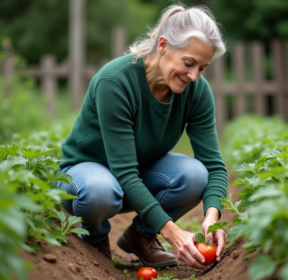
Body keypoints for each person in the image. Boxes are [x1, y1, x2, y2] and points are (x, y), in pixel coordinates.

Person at [56, 4, 228, 270]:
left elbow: (214, 166)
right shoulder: (115, 82)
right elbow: (124, 173)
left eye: (202, 68)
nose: (194, 76)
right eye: (189, 63)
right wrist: (172, 233)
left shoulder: (196, 92)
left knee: (196, 174)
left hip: (134, 176)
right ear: (163, 45)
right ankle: (95, 238)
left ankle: (141, 235)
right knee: (101, 189)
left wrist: (213, 217)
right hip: (85, 179)